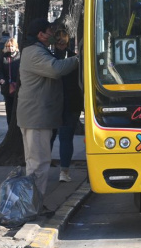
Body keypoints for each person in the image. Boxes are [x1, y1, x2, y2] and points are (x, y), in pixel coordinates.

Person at [17, 18, 79, 196]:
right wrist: (79, 59)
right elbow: (56, 69)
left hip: (37, 116)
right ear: (41, 34)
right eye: (50, 31)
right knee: (38, 163)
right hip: (36, 116)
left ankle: (33, 201)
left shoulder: (38, 50)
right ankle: (33, 202)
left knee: (37, 162)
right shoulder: (35, 52)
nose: (53, 34)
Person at [53, 29, 84, 183]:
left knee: (51, 138)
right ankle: (64, 171)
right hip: (70, 102)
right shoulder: (74, 59)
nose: (60, 44)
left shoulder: (49, 57)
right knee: (65, 138)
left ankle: (52, 170)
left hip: (56, 103)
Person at [0, 38, 20, 126]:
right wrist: (1, 79)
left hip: (18, 86)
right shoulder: (3, 57)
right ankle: (10, 126)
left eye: (12, 46)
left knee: (18, 108)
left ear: (16, 47)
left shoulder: (20, 57)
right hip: (7, 87)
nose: (10, 48)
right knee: (9, 108)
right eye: (8, 46)